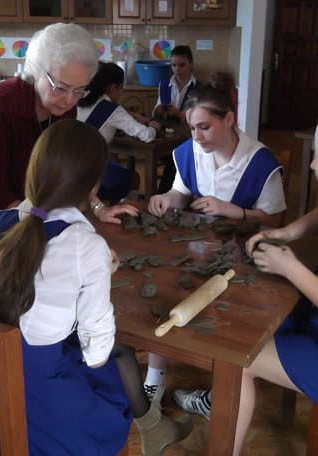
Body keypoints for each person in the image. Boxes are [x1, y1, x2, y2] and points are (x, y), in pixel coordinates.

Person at [0, 120, 192, 456]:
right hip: (45, 412)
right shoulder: (85, 245)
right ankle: (152, 429)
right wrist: (96, 278)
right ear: (93, 185)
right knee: (113, 364)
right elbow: (95, 355)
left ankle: (155, 429)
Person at [184, 100, 318, 454]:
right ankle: (222, 397)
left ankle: (223, 416)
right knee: (254, 313)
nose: (312, 165)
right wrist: (285, 234)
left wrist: (291, 268)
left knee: (239, 358)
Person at [0, 23, 137, 365]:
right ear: (35, 71)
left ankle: (17, 369)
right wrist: (56, 237)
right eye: (61, 87)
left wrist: (97, 206)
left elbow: (66, 173)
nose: (70, 99)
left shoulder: (65, 108)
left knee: (21, 289)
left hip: (20, 205)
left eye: (80, 91)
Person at [145, 74, 287, 405]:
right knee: (159, 286)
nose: (197, 136)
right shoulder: (189, 151)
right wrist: (167, 199)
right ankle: (155, 374)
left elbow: (275, 219)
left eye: (205, 127)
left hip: (241, 255)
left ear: (229, 119)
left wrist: (233, 210)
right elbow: (180, 193)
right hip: (193, 245)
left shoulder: (260, 162)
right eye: (192, 128)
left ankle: (219, 387)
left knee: (225, 309)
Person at [77, 62, 161, 202]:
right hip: (87, 175)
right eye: (121, 88)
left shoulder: (81, 97)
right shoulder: (113, 110)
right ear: (113, 88)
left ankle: (113, 202)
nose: (122, 93)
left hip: (68, 168)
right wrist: (154, 127)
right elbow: (146, 136)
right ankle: (126, 210)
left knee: (112, 161)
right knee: (133, 178)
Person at [152, 45, 201, 193]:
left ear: (191, 64)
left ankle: (164, 193)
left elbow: (199, 117)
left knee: (177, 157)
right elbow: (156, 110)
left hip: (188, 135)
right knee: (162, 154)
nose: (177, 69)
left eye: (182, 65)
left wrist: (180, 113)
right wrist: (159, 110)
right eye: (174, 65)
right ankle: (163, 192)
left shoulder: (198, 87)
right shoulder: (165, 85)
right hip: (168, 135)